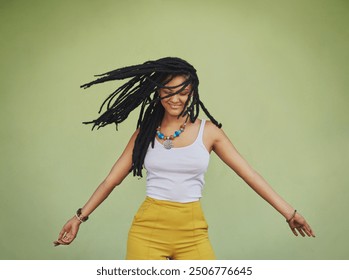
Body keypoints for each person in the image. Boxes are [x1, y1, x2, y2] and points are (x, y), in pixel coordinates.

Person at [53, 57, 315, 259]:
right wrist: (78, 218)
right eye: (168, 91)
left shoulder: (209, 132)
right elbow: (111, 180)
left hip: (193, 233)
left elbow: (249, 174)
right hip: (147, 232)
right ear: (158, 92)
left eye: (183, 92)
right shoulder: (144, 134)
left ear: (192, 92)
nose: (176, 99)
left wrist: (288, 212)